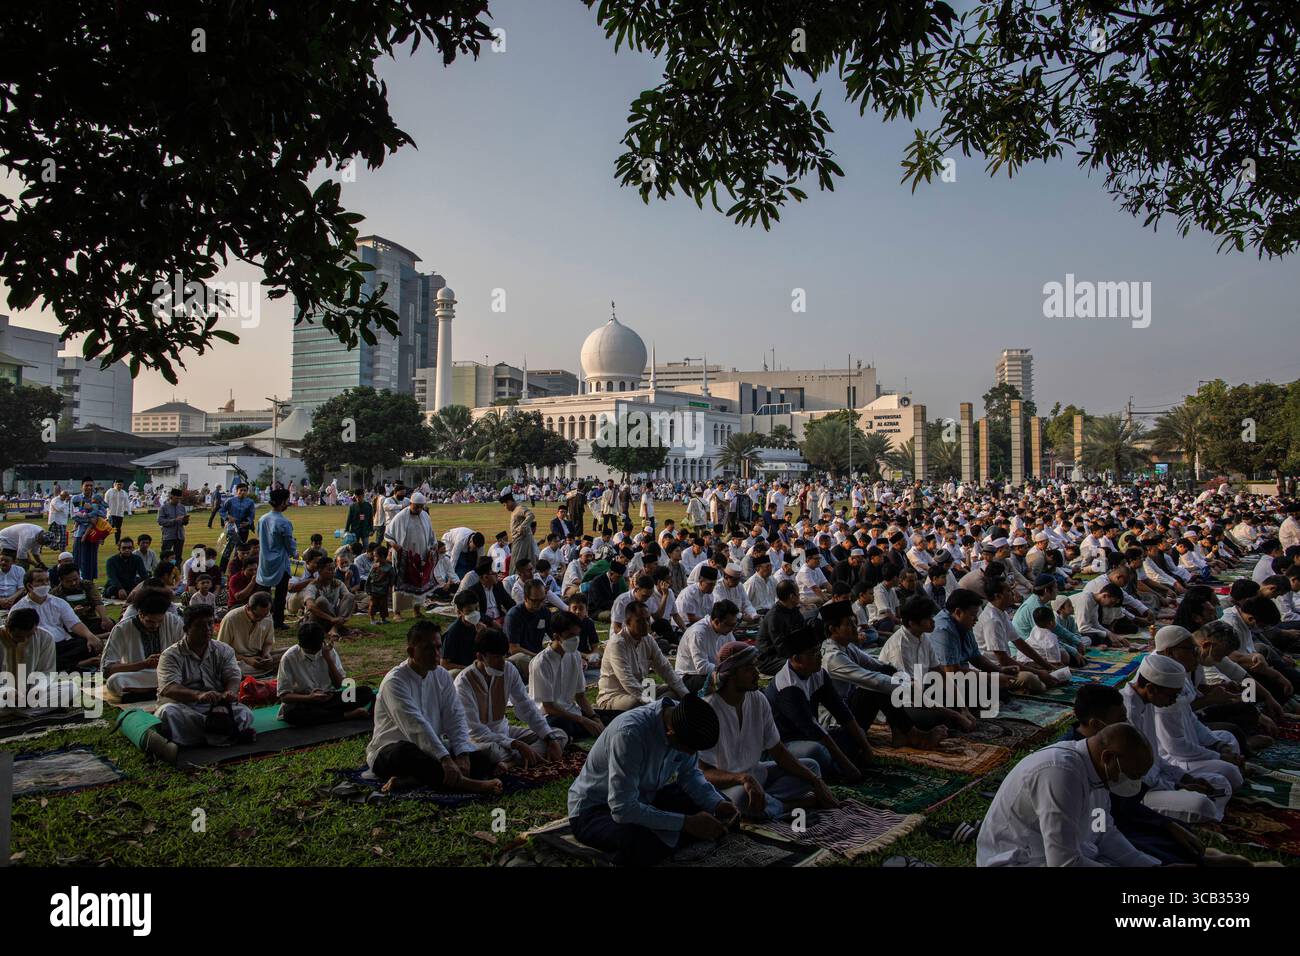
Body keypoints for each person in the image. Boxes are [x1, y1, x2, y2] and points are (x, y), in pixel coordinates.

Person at [567, 693, 738, 866]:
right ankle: (678, 838)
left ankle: (680, 837)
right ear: (671, 733)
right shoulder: (629, 734)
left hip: (647, 797)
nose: (692, 754)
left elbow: (690, 775)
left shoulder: (684, 718)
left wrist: (716, 804)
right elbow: (622, 809)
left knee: (720, 804)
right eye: (689, 748)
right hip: (596, 810)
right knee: (640, 840)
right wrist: (686, 823)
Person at [976, 722, 1161, 867]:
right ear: (1108, 757)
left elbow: (1102, 833)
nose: (1133, 783)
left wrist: (1150, 865)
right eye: (1132, 775)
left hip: (1061, 855)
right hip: (1021, 861)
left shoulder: (1101, 776)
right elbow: (1064, 863)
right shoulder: (1059, 773)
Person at [700, 640, 838, 819]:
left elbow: (778, 751)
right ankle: (789, 805)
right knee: (741, 800)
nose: (757, 673)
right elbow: (703, 774)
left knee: (812, 768)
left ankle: (768, 805)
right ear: (731, 674)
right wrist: (742, 779)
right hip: (727, 785)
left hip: (756, 774)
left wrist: (815, 781)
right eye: (749, 668)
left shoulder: (758, 699)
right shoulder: (708, 710)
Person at [366, 620, 503, 796]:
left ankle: (413, 780)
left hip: (432, 750)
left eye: (438, 647)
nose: (436, 654)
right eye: (428, 649)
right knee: (405, 752)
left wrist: (462, 754)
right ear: (411, 651)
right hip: (391, 752)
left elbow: (455, 716)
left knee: (481, 757)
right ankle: (465, 783)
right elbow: (415, 726)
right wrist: (445, 759)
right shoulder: (395, 682)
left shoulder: (442, 676)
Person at [1121, 653, 1235, 823]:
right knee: (1201, 804)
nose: (1173, 701)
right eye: (1171, 696)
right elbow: (1137, 776)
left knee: (1219, 782)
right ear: (1151, 688)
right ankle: (1205, 817)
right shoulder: (1127, 712)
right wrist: (1177, 786)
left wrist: (1185, 778)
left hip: (1160, 778)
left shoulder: (1147, 701)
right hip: (1140, 791)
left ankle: (1206, 816)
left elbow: (1155, 757)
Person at [762, 622, 873, 781]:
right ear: (796, 659)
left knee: (857, 734)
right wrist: (847, 765)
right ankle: (836, 773)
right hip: (784, 744)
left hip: (810, 736)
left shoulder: (818, 673)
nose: (820, 656)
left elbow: (840, 710)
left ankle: (836, 766)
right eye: (813, 652)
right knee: (815, 751)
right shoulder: (787, 687)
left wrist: (866, 747)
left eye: (818, 650)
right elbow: (812, 728)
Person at [149, 604, 256, 762]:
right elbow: (169, 688)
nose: (207, 629)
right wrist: (198, 695)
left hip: (215, 707)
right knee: (167, 714)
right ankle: (225, 735)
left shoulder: (224, 650)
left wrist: (230, 692)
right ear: (186, 629)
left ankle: (202, 737)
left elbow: (233, 677)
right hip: (184, 707)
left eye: (210, 624)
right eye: (200, 625)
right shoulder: (171, 655)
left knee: (245, 713)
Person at [454, 627, 566, 773]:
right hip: (480, 740)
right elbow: (475, 731)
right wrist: (516, 744)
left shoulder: (508, 670)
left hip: (505, 731)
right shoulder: (463, 682)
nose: (502, 662)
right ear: (480, 657)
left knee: (558, 736)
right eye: (496, 657)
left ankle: (511, 763)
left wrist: (549, 738)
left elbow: (526, 706)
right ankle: (522, 757)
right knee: (490, 753)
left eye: (504, 656)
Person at [596, 599, 688, 721]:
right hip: (614, 695)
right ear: (627, 623)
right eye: (640, 621)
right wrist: (650, 703)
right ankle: (659, 711)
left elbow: (665, 668)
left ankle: (658, 711)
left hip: (642, 689)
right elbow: (628, 681)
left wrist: (687, 696)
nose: (646, 624)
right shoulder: (617, 643)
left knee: (676, 689)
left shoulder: (648, 639)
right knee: (635, 704)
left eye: (647, 619)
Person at [276, 621, 374, 725]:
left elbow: (338, 684)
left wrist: (328, 658)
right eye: (309, 651)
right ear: (300, 645)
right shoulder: (289, 658)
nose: (314, 653)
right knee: (291, 713)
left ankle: (326, 715)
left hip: (330, 699)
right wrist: (309, 698)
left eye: (316, 650)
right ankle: (346, 715)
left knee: (365, 692)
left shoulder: (328, 651)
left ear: (322, 642)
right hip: (306, 702)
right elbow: (284, 696)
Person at [529, 609, 604, 741]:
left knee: (614, 716)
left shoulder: (574, 655)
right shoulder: (541, 663)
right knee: (561, 724)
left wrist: (594, 717)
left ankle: (587, 729)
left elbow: (580, 696)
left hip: (572, 713)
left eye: (577, 635)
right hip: (550, 717)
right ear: (557, 636)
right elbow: (548, 707)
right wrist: (583, 721)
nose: (575, 639)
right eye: (570, 635)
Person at [11, 567, 103, 671]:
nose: (45, 584)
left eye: (47, 580)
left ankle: (66, 665)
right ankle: (77, 664)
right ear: (29, 585)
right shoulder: (19, 608)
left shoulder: (59, 602)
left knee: (89, 645)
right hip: (39, 648)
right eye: (40, 581)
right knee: (36, 657)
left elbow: (74, 624)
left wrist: (90, 636)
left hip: (63, 644)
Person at [100, 590, 183, 701]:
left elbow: (187, 654)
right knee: (114, 681)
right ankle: (166, 690)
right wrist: (144, 664)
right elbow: (107, 670)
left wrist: (166, 661)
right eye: (150, 622)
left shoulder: (174, 621)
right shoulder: (122, 628)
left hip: (169, 673)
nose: (156, 625)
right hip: (139, 674)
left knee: (188, 674)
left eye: (160, 621)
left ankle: (144, 695)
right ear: (140, 613)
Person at [0, 608, 60, 715]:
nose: (24, 640)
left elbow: (47, 672)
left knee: (70, 688)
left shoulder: (45, 638)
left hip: (30, 696)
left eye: (29, 635)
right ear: (8, 629)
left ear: (36, 628)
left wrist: (37, 689)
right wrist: (5, 691)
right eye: (18, 636)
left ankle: (20, 714)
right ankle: (25, 712)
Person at [674, 598, 739, 693]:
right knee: (725, 682)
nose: (732, 629)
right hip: (689, 676)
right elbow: (702, 667)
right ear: (717, 622)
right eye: (730, 625)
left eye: (734, 625)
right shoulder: (698, 633)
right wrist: (727, 669)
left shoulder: (726, 629)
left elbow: (734, 650)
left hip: (711, 671)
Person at [256, 487, 296, 629]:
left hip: (264, 559)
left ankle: (260, 617)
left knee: (263, 592)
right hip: (280, 561)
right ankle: (277, 620)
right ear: (283, 502)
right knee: (280, 594)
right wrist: (294, 552)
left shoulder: (262, 519)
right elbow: (290, 544)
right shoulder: (284, 522)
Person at [215, 591, 278, 675]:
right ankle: (265, 671)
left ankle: (261, 670)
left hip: (258, 657)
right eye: (257, 616)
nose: (261, 619)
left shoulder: (267, 616)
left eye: (265, 615)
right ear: (248, 608)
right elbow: (222, 651)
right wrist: (246, 660)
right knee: (229, 669)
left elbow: (268, 642)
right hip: (237, 660)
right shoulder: (231, 619)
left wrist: (266, 654)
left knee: (289, 655)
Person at [302, 560, 356, 640]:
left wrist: (347, 579)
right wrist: (331, 618)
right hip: (317, 620)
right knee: (321, 601)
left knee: (350, 596)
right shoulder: (312, 585)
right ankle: (336, 626)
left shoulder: (338, 583)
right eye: (329, 569)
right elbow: (310, 606)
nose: (333, 572)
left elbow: (348, 600)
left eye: (333, 569)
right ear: (320, 570)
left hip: (334, 618)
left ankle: (335, 628)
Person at [69, 477, 107, 582]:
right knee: (79, 560)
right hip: (80, 534)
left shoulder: (97, 498)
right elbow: (74, 516)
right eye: (87, 485)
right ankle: (77, 582)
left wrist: (90, 512)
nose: (89, 488)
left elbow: (103, 514)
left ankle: (89, 584)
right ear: (82, 487)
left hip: (94, 534)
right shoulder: (76, 499)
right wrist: (91, 519)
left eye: (91, 485)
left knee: (91, 560)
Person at [217, 482, 257, 570]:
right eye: (241, 490)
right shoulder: (230, 501)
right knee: (228, 550)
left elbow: (252, 515)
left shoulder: (250, 502)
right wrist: (228, 517)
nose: (243, 492)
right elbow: (221, 511)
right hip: (232, 529)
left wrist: (248, 522)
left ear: (247, 491)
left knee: (241, 551)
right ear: (236, 491)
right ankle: (221, 571)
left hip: (243, 529)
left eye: (245, 490)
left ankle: (237, 570)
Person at [501, 489, 539, 570]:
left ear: (509, 502)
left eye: (505, 504)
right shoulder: (514, 511)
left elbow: (531, 515)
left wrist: (523, 526)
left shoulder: (519, 508)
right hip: (517, 540)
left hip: (522, 540)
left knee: (517, 563)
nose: (505, 507)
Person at [156, 486, 189, 565]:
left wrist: (185, 521)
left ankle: (177, 573)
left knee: (178, 557)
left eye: (179, 498)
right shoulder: (163, 508)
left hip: (180, 536)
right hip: (168, 536)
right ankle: (163, 573)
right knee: (165, 556)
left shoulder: (182, 507)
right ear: (171, 496)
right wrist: (174, 520)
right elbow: (160, 521)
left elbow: (184, 523)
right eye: (176, 498)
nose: (178, 500)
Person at [105, 478, 131, 545]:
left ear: (123, 485)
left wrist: (129, 512)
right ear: (115, 484)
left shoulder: (124, 493)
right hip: (111, 513)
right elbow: (105, 502)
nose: (119, 486)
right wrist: (106, 512)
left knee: (118, 529)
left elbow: (127, 503)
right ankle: (102, 538)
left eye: (121, 485)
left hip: (120, 514)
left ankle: (117, 541)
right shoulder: (109, 491)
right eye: (118, 484)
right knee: (110, 527)